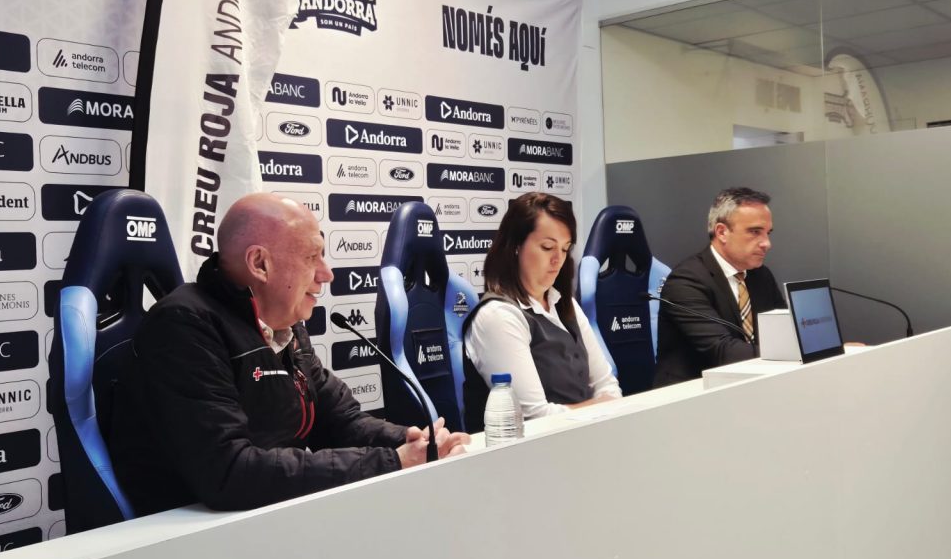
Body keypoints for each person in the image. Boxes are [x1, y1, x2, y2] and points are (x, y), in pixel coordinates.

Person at [110, 193, 468, 516]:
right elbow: (230, 472)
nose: (326, 274)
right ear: (259, 263)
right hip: (185, 537)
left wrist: (413, 440)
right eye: (312, 257)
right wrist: (390, 462)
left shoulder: (287, 327)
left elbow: (342, 421)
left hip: (265, 518)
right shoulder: (185, 325)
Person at [462, 192, 621, 432]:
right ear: (516, 246)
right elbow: (534, 418)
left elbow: (607, 385)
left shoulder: (565, 304)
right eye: (547, 247)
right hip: (527, 450)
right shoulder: (497, 316)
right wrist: (600, 407)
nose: (558, 260)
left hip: (584, 438)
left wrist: (604, 406)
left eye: (565, 249)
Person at [652, 187, 786, 386]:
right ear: (722, 232)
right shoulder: (685, 281)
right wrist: (790, 353)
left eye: (768, 233)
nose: (766, 243)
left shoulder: (760, 275)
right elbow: (723, 351)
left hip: (747, 384)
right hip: (692, 393)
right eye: (755, 232)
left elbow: (783, 333)